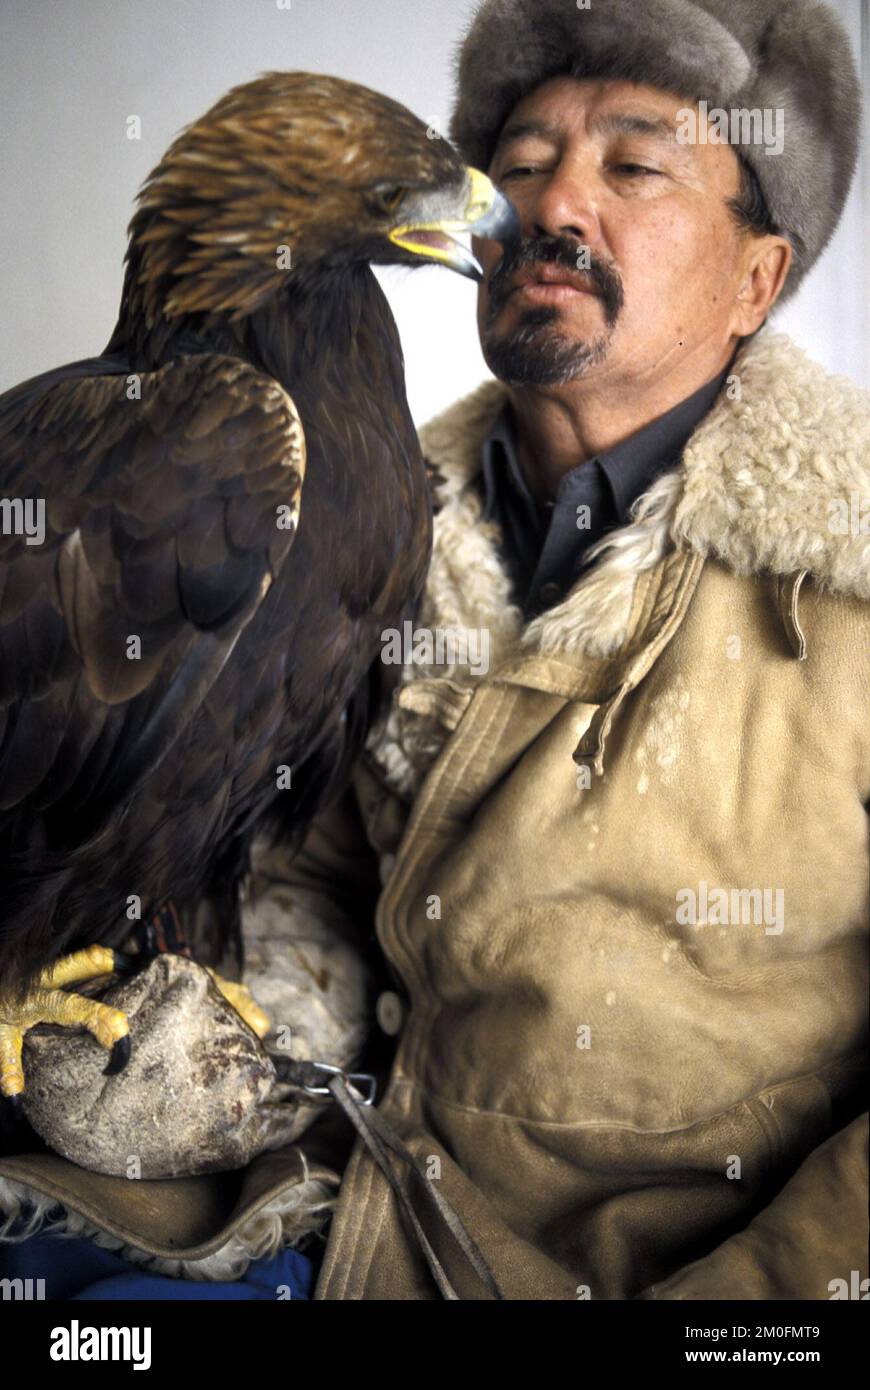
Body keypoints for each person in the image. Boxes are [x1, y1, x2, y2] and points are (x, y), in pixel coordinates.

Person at [2, 0, 866, 1300]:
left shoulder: (846, 595)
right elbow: (302, 867)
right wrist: (228, 1029)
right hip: (308, 1223)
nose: (548, 204)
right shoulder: (383, 507)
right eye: (520, 163)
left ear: (755, 276)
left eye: (631, 164)